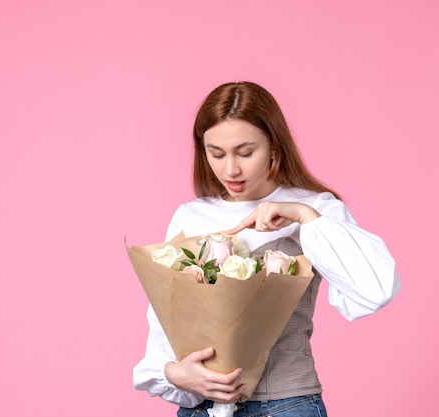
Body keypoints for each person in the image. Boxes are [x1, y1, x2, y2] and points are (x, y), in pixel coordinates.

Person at [133, 81, 400, 416]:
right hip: (202, 410)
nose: (230, 169)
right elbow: (163, 325)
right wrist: (176, 374)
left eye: (245, 153)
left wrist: (304, 216)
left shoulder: (315, 209)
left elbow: (374, 289)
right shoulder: (190, 217)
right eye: (215, 154)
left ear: (274, 147)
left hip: (287, 406)